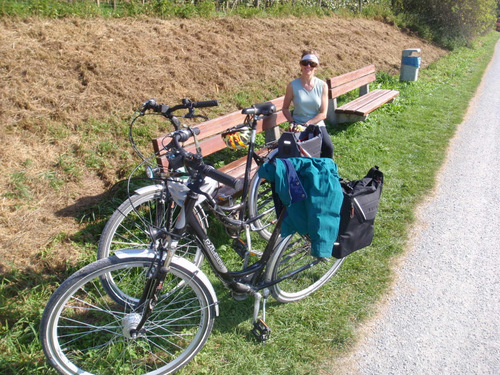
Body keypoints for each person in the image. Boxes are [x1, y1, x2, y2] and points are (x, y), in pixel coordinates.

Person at [282, 50, 334, 158]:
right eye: (305, 63)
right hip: (298, 125)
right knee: (294, 151)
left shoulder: (322, 85)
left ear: (316, 67)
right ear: (301, 64)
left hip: (316, 124)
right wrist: (293, 123)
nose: (308, 66)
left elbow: (323, 114)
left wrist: (308, 124)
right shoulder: (292, 85)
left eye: (312, 64)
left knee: (328, 147)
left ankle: (325, 172)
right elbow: (285, 108)